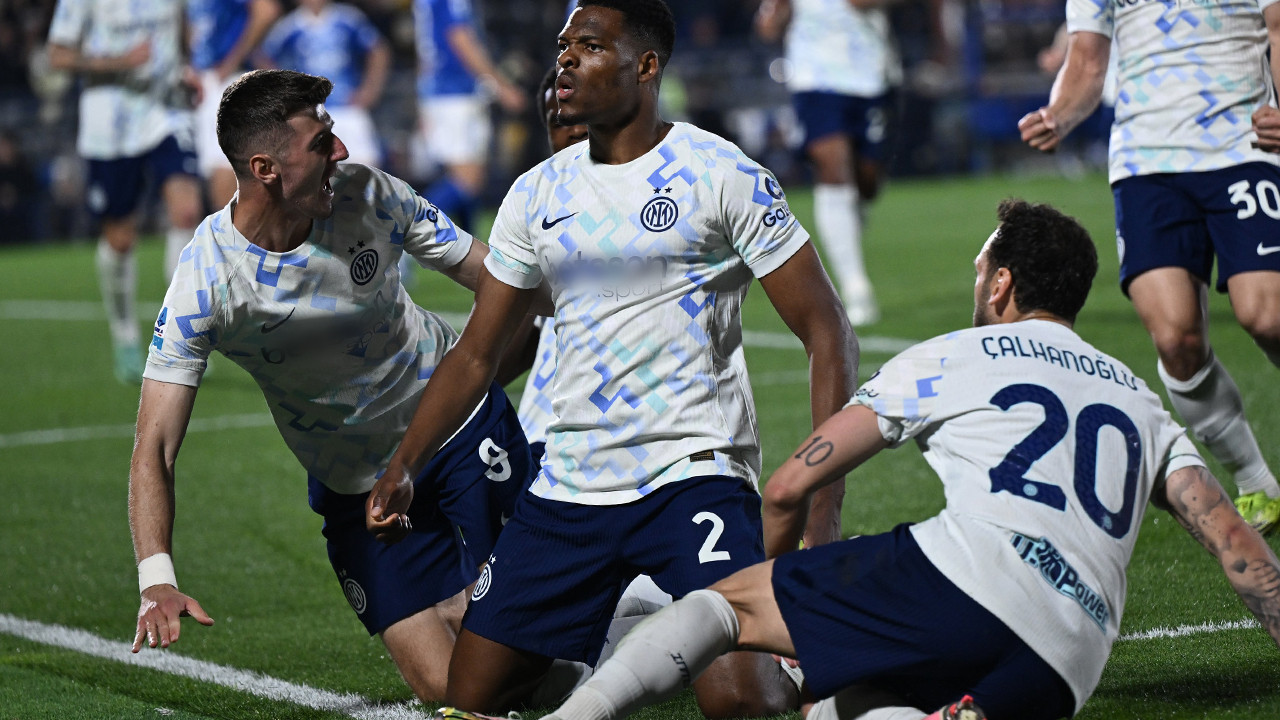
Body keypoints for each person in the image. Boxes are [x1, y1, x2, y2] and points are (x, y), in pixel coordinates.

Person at [538, 199, 1280, 720]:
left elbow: (791, 485)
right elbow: (1239, 547)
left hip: (965, 583)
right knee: (839, 704)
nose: (977, 279)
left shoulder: (955, 356)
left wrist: (769, 589)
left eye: (980, 267)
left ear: (1001, 283)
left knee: (718, 606)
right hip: (1067, 663)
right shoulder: (1138, 399)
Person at [366, 1, 859, 717]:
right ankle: (632, 633)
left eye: (591, 46)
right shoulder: (537, 193)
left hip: (692, 474)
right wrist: (405, 464)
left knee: (741, 702)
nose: (566, 58)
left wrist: (824, 511)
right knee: (472, 697)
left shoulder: (719, 173)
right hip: (569, 486)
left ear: (646, 66)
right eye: (564, 45)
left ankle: (818, 667)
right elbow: (477, 354)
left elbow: (827, 331)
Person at [127, 69, 535, 704]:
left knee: (512, 647)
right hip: (356, 485)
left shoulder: (367, 193)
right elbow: (154, 445)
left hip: (457, 431)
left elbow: (500, 282)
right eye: (320, 142)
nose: (340, 150)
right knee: (450, 686)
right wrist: (156, 577)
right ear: (265, 169)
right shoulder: (208, 282)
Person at [1017, 0, 1280, 531]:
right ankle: (1256, 484)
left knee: (1268, 316)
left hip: (1244, 145)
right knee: (1176, 341)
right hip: (1146, 162)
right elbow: (1087, 60)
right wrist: (1058, 115)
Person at [47, 0, 205, 383]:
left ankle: (179, 336)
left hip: (166, 111)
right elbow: (58, 54)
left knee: (186, 212)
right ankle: (125, 336)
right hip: (110, 124)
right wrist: (119, 62)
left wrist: (188, 68)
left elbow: (180, 28)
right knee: (120, 239)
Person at [754, 0, 902, 326]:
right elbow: (768, 26)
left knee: (867, 181)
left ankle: (851, 220)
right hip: (816, 78)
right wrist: (776, 15)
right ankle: (855, 288)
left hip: (873, 74)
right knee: (833, 168)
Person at [412, 0, 526, 233]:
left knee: (468, 178)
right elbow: (459, 37)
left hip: (442, 92)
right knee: (467, 180)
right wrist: (500, 85)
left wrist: (421, 98)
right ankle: (407, 231)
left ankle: (468, 248)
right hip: (455, 93)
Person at [258, 0, 390, 168]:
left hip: (348, 108)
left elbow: (378, 50)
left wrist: (370, 89)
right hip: (312, 114)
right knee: (314, 171)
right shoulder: (289, 26)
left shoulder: (348, 18)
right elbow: (262, 56)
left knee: (366, 169)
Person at [189, 0, 283, 210]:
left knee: (226, 169)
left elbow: (266, 10)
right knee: (215, 174)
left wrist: (231, 61)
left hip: (227, 79)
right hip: (203, 81)